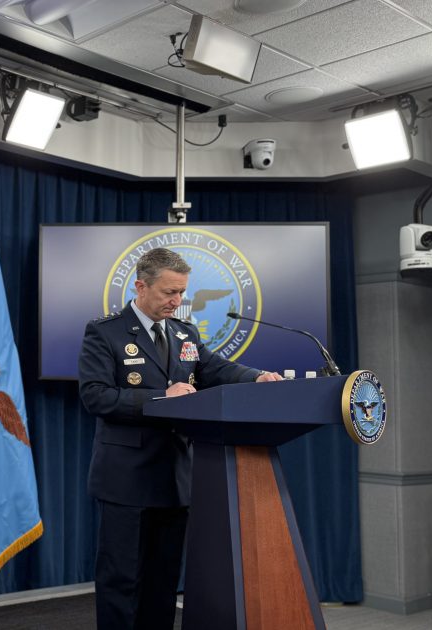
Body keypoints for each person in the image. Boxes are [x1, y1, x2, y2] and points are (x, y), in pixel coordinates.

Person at [77, 247, 280, 630]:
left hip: (174, 478)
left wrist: (256, 377)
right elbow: (95, 396)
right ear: (141, 286)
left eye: (182, 292)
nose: (177, 300)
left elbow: (215, 368)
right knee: (121, 579)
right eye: (169, 292)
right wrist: (161, 397)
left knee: (163, 581)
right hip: (126, 478)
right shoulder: (105, 332)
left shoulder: (184, 332)